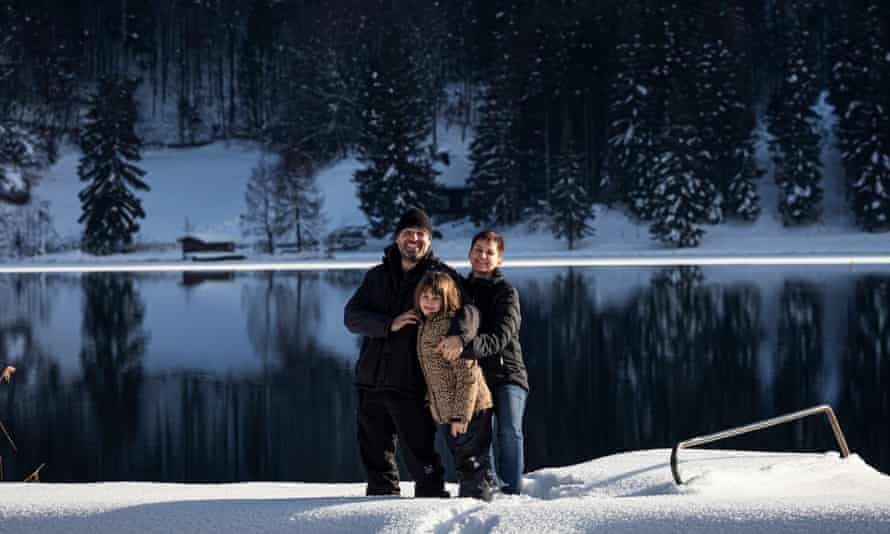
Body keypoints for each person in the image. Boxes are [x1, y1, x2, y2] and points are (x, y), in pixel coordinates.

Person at [344, 207, 478, 498]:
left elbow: (470, 309)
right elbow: (352, 316)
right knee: (374, 454)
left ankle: (431, 501)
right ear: (397, 238)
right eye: (408, 233)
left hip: (411, 382)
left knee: (420, 453)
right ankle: (380, 503)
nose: (414, 239)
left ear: (429, 239)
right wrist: (388, 324)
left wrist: (459, 335)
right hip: (370, 379)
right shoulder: (377, 277)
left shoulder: (441, 276)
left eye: (421, 234)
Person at [442, 230, 528, 495]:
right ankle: (486, 483)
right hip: (472, 376)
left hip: (507, 374)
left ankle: (512, 490)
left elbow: (502, 336)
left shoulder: (506, 293)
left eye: (489, 252)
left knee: (509, 431)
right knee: (478, 436)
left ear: (499, 259)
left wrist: (464, 348)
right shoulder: (460, 290)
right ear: (469, 254)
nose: (482, 256)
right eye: (478, 250)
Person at [414, 272, 496, 501]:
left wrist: (462, 416)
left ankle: (476, 507)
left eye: (436, 298)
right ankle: (482, 495)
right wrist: (434, 404)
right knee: (463, 460)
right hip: (451, 411)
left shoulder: (450, 328)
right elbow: (435, 374)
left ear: (448, 299)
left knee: (470, 462)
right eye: (425, 296)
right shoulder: (427, 324)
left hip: (471, 409)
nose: (429, 303)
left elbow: (467, 376)